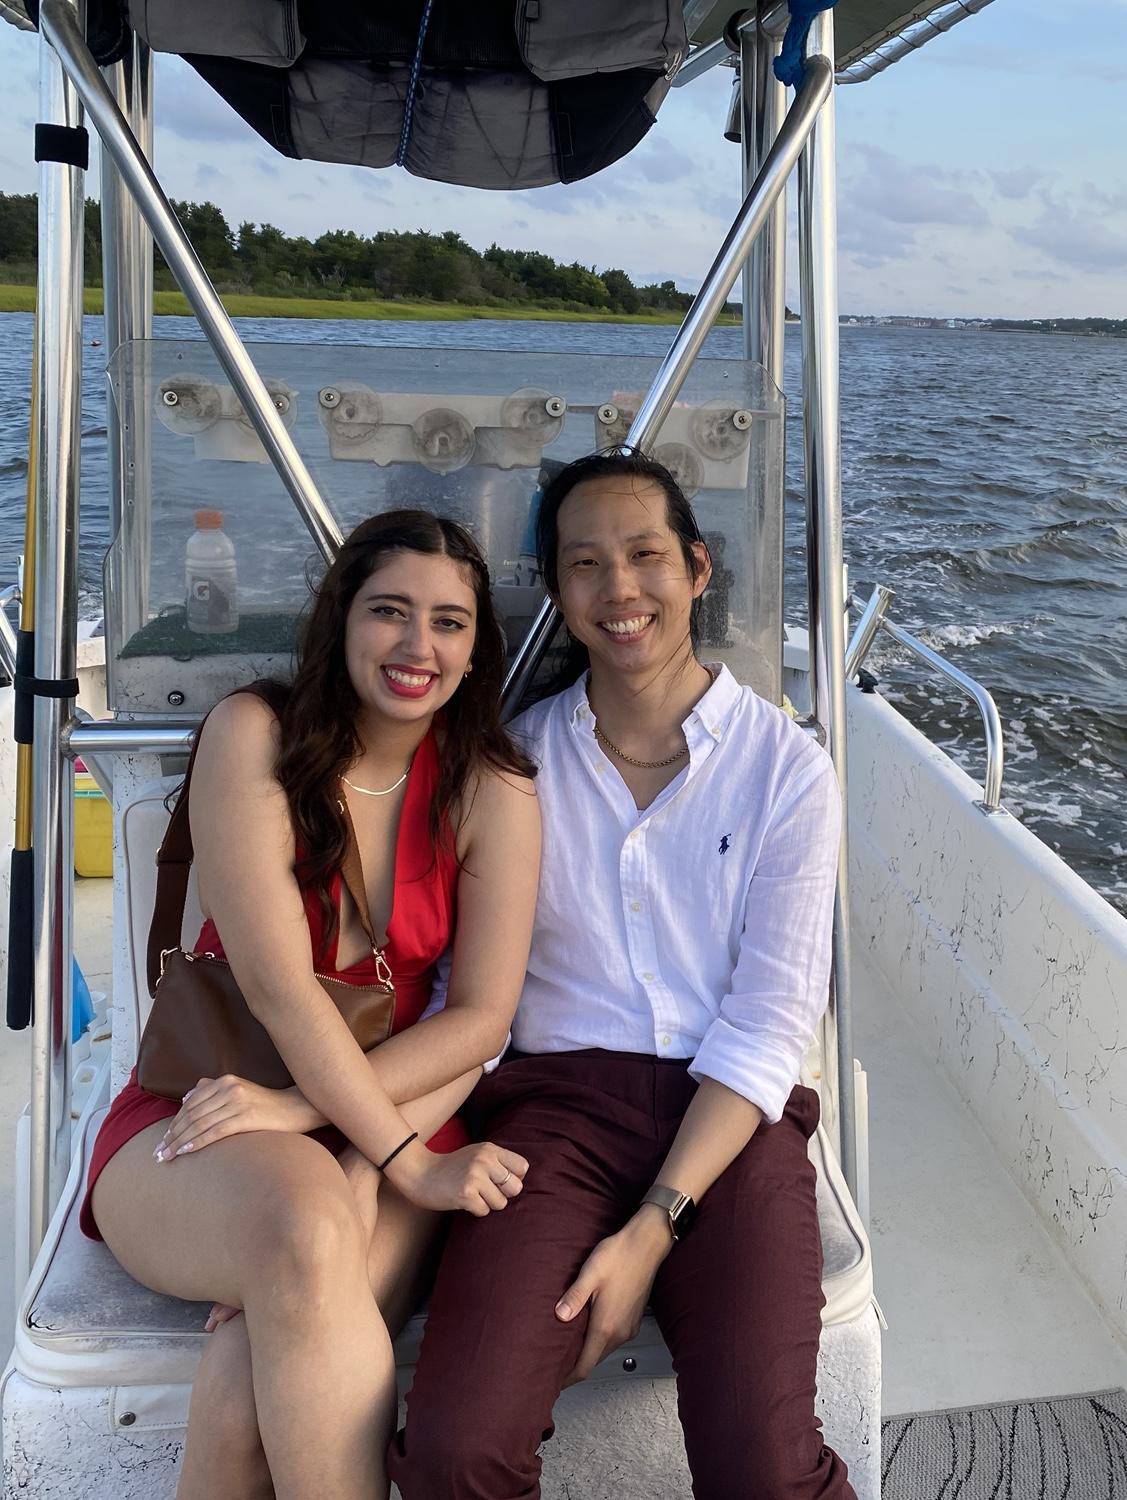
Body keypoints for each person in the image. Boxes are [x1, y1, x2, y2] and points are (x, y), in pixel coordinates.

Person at [390, 451, 855, 1499]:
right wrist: (354, 1170)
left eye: (646, 555)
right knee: (457, 1449)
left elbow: (769, 1024)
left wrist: (654, 1229)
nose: (620, 589)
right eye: (585, 564)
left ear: (697, 568)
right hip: (551, 1121)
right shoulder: (511, 767)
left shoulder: (789, 770)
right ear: (557, 593)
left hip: (733, 1122)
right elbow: (470, 997)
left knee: (765, 1470)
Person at [82, 510, 542, 1500]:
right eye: (390, 612)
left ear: (476, 648)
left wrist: (346, 1134)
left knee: (253, 1381)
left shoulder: (490, 791)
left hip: (388, 1104)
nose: (419, 646)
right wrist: (407, 1166)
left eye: (451, 623)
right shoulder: (256, 734)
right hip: (205, 1109)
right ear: (340, 620)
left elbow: (481, 1021)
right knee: (299, 1226)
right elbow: (282, 993)